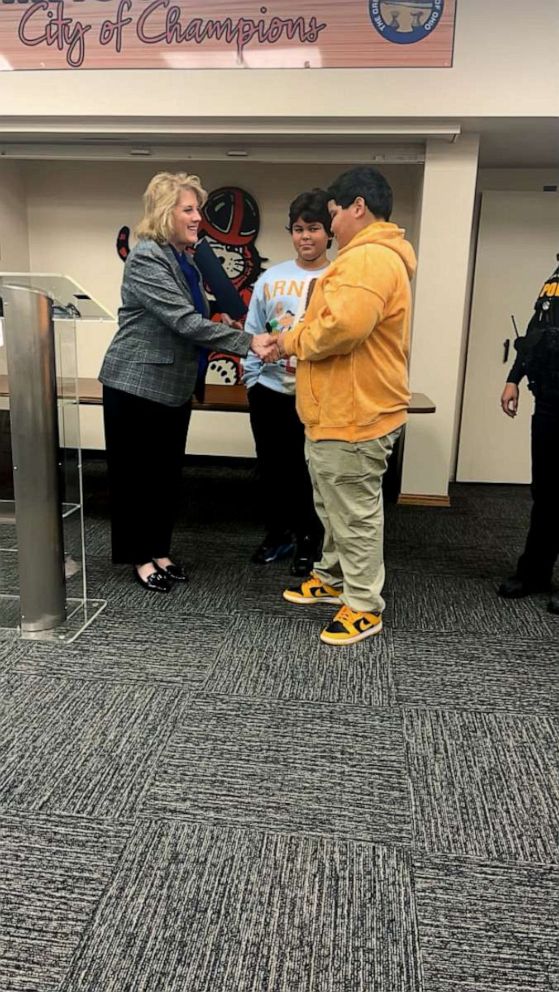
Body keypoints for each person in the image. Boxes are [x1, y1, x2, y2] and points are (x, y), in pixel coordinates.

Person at [99, 171, 276, 592]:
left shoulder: (186, 258)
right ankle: (141, 558)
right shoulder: (147, 258)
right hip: (135, 384)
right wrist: (248, 342)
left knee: (164, 476)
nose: (198, 217)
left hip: (172, 386)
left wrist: (227, 313)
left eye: (198, 209)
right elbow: (182, 320)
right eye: (189, 209)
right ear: (166, 213)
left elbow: (195, 307)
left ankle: (160, 550)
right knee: (137, 477)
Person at [275, 166, 417, 645]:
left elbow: (342, 329)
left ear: (358, 206)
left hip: (356, 415)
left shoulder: (368, 259)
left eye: (333, 215)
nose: (330, 227)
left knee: (353, 514)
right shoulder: (364, 257)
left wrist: (290, 340)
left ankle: (363, 606)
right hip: (336, 413)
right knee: (334, 507)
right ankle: (333, 580)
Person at [243, 188, 330, 575]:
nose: (305, 236)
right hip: (270, 391)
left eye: (314, 228)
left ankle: (310, 539)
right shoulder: (271, 278)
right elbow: (252, 330)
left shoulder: (338, 277)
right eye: (298, 229)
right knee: (273, 468)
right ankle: (278, 533)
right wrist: (251, 381)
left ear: (330, 233)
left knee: (310, 472)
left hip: (318, 394)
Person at [499, 256, 559, 613]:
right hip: (549, 400)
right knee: (546, 492)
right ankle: (534, 572)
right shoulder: (554, 276)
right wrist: (513, 378)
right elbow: (536, 336)